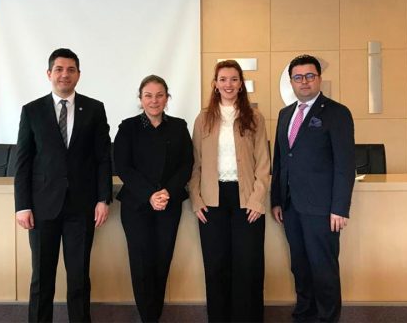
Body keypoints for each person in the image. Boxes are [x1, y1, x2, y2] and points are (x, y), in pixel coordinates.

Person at [14, 48, 112, 323]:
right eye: (59, 69)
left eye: (71, 70)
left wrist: (103, 198)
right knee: (41, 279)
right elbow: (23, 162)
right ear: (49, 74)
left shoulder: (94, 109)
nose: (64, 75)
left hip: (81, 208)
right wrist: (22, 206)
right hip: (42, 208)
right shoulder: (32, 111)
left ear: (78, 75)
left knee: (79, 278)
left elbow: (103, 158)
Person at [270, 54, 355, 323]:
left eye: (310, 76)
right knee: (300, 266)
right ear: (291, 81)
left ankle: (327, 318)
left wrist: (339, 207)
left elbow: (345, 165)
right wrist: (276, 200)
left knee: (323, 269)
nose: (304, 81)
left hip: (322, 208)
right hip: (291, 206)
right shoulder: (285, 114)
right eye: (298, 77)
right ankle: (304, 315)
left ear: (319, 78)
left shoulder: (337, 113)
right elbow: (280, 160)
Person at [189, 59, 270, 323]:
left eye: (234, 79)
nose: (228, 84)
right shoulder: (203, 119)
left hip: (247, 199)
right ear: (215, 84)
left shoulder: (254, 117)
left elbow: (263, 163)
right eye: (223, 79)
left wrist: (258, 199)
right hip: (212, 201)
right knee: (216, 267)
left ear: (241, 84)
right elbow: (195, 163)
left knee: (248, 267)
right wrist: (196, 199)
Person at [113, 74, 193, 323]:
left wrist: (167, 191)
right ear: (140, 99)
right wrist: (149, 194)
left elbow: (187, 164)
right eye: (148, 95)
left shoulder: (178, 126)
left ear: (167, 98)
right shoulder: (128, 127)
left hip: (168, 204)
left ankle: (154, 316)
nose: (154, 100)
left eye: (160, 95)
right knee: (141, 265)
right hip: (136, 206)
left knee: (162, 263)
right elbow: (123, 166)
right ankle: (147, 317)